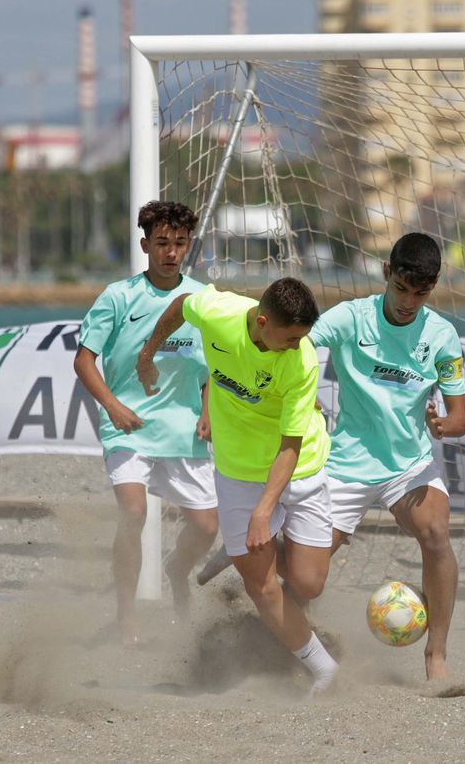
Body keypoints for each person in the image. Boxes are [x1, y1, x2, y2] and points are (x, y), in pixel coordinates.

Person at [194, 233, 465, 680]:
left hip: (408, 466)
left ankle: (435, 656)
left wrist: (446, 424)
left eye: (421, 293)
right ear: (386, 273)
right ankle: (255, 593)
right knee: (306, 584)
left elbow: (461, 417)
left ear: (434, 286)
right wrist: (291, 399)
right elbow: (290, 345)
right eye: (402, 289)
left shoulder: (442, 335)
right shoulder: (350, 318)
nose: (408, 302)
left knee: (436, 532)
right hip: (345, 464)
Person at [136, 277, 339, 693]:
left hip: (300, 467)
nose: (299, 344)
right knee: (261, 588)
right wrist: (147, 352)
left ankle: (244, 548)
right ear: (262, 322)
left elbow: (290, 446)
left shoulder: (301, 360)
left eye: (304, 337)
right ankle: (324, 669)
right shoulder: (219, 314)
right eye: (290, 337)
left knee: (308, 584)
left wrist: (264, 512)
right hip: (238, 470)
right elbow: (180, 305)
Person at [73, 200, 216, 643]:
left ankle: (177, 568)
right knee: (133, 511)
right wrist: (113, 406)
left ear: (188, 245)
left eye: (178, 243)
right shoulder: (119, 296)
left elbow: (217, 366)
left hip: (183, 429)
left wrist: (209, 410)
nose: (170, 252)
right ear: (145, 245)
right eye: (161, 243)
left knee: (208, 527)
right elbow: (84, 362)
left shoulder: (203, 298)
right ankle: (126, 616)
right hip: (129, 427)